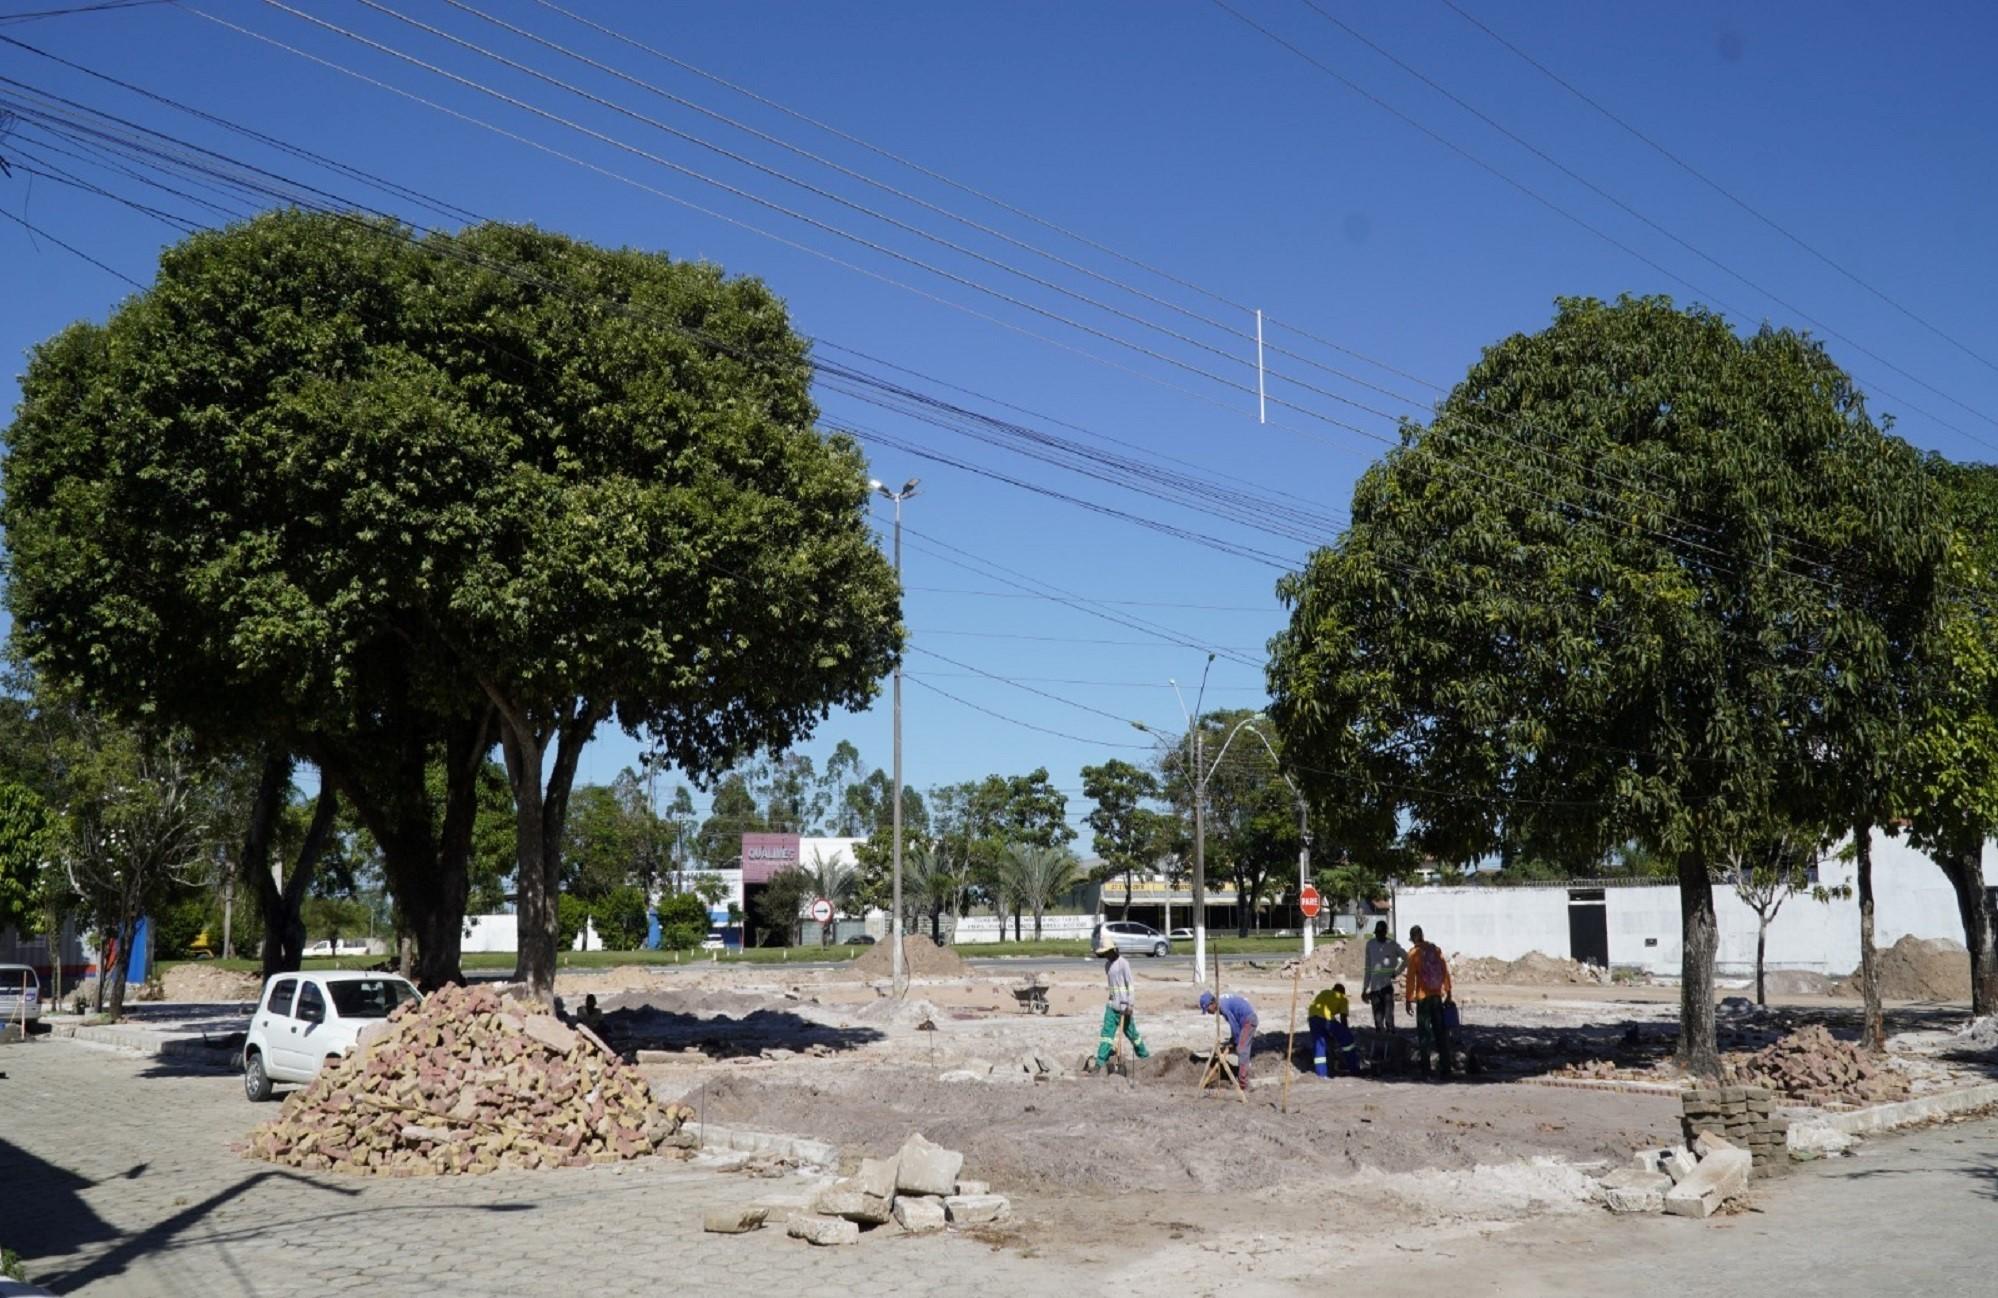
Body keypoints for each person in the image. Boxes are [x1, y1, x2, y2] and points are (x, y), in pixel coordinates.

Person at [1403, 925, 1454, 1079]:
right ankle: (1446, 1068)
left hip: (1423, 998)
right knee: (1440, 1033)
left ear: (1413, 938)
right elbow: (1445, 972)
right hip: (1437, 997)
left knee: (1424, 1034)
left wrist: (1408, 999)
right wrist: (1448, 992)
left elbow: (1410, 979)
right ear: (1422, 935)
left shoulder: (1414, 954)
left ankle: (1426, 1070)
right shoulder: (1435, 950)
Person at [1091, 936, 1149, 1069]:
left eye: (1107, 952)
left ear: (1113, 950)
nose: (1106, 955)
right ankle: (1100, 1063)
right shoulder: (1107, 965)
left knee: (1133, 1035)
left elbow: (1130, 985)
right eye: (1104, 953)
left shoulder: (1123, 963)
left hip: (1124, 1008)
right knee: (1106, 1036)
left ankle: (1145, 1057)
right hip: (1111, 1007)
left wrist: (1130, 1004)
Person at [1362, 920, 1406, 1062]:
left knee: (1389, 1018)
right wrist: (1365, 988)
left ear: (1385, 932)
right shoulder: (1370, 945)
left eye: (1381, 933)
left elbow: (1406, 958)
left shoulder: (1392, 945)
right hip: (1374, 989)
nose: (1379, 936)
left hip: (1387, 987)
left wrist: (1397, 971)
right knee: (1378, 1020)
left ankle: (1392, 1052)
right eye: (1377, 933)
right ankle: (1381, 1053)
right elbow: (1368, 968)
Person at [1198, 989, 1259, 1083]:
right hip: (1244, 1019)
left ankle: (1243, 1082)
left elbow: (1234, 1024)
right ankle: (1244, 1070)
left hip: (1249, 1020)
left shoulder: (1222, 1006)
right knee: (1239, 1045)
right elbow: (1234, 1021)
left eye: (1208, 1009)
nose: (1208, 1012)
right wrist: (1233, 1040)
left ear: (1212, 1003)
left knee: (1242, 1049)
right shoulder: (1220, 1003)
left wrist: (1236, 1041)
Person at [1306, 981, 1361, 1078]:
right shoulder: (1342, 998)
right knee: (1347, 1040)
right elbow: (1343, 1018)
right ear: (1343, 992)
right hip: (1325, 1017)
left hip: (1312, 1018)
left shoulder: (1324, 992)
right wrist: (1344, 1032)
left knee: (1319, 1044)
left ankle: (1321, 1074)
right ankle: (1354, 1068)